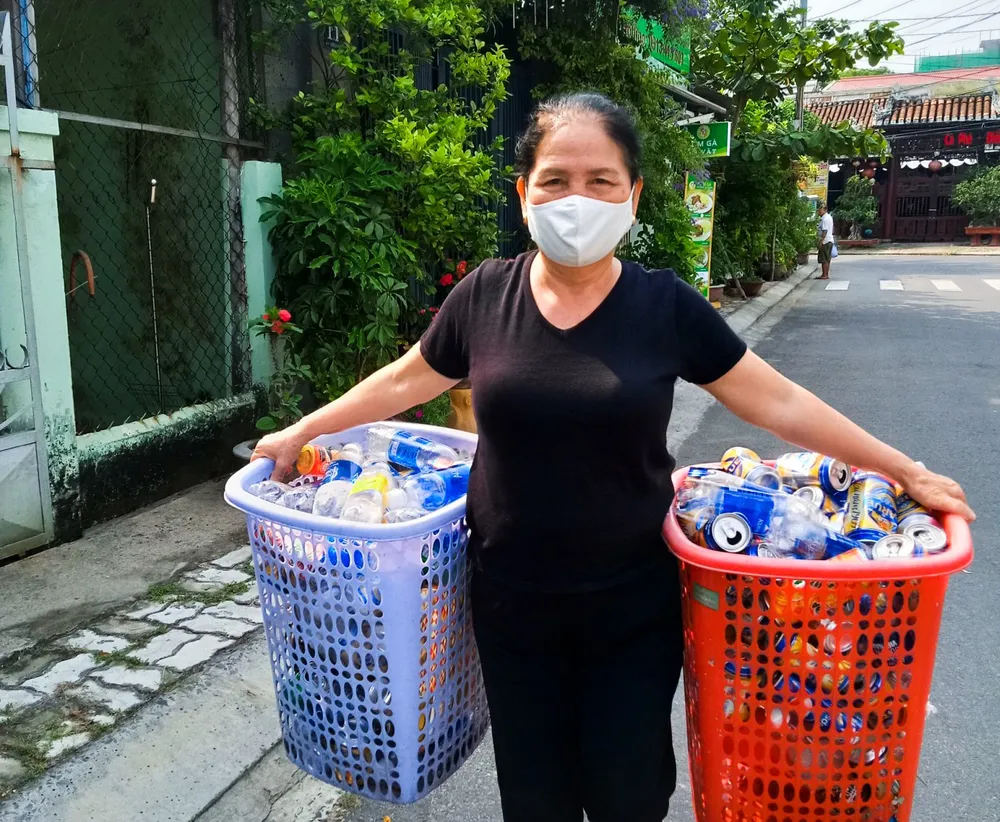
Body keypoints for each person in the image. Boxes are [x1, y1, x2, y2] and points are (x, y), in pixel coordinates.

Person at [252, 93, 974, 822]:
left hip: (632, 604)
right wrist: (301, 431)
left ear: (633, 195)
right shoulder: (484, 296)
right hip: (509, 601)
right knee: (535, 798)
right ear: (523, 193)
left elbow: (777, 401)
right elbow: (407, 379)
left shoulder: (665, 307)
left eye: (601, 181)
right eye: (556, 179)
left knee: (628, 792)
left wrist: (902, 468)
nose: (577, 199)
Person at [817, 200, 835, 279]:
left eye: (820, 210)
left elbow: (825, 231)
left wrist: (821, 241)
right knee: (827, 258)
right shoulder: (828, 217)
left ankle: (825, 274)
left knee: (824, 259)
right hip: (829, 240)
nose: (818, 212)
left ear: (825, 210)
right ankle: (825, 274)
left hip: (826, 241)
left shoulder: (825, 219)